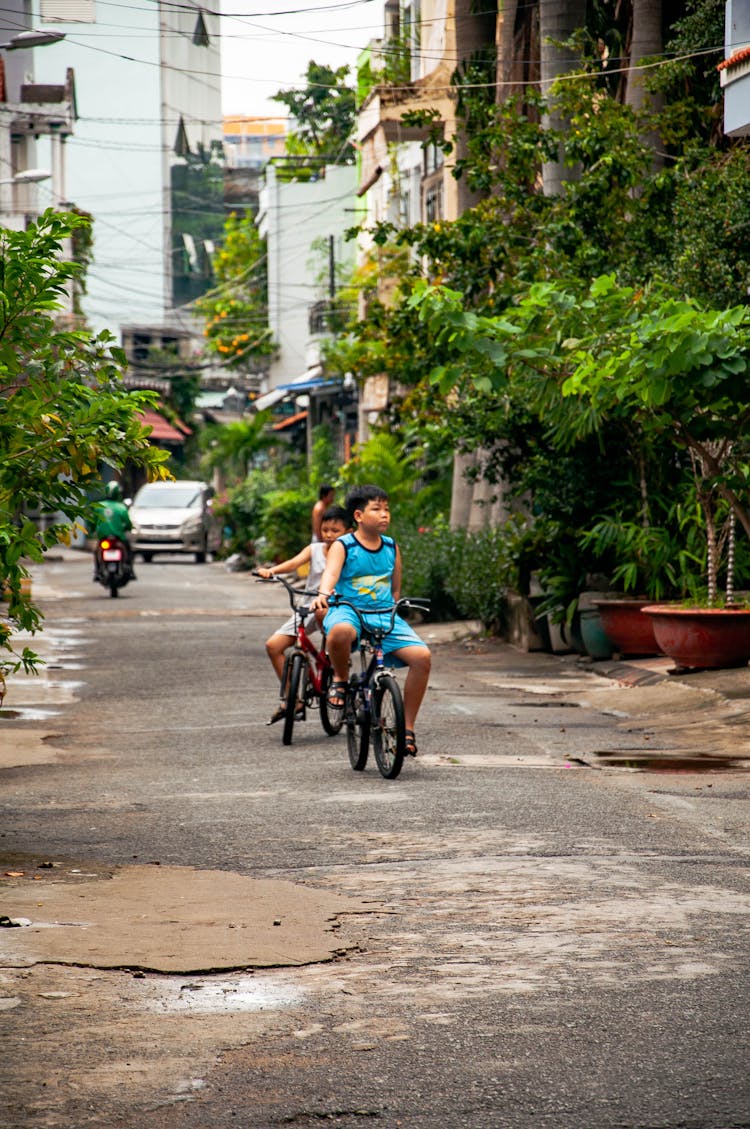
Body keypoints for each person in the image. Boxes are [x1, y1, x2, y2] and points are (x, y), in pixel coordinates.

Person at [311, 484, 431, 757]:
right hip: (347, 608)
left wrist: (394, 609)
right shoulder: (343, 545)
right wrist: (323, 595)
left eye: (387, 509)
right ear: (358, 515)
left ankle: (407, 729)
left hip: (383, 613)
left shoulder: (391, 546)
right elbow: (330, 574)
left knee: (422, 657)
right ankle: (340, 679)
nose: (384, 514)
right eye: (376, 509)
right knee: (339, 632)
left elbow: (395, 587)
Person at [257, 504, 349, 724]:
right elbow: (293, 563)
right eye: (325, 529)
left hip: (335, 608)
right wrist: (272, 571)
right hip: (308, 606)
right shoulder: (315, 549)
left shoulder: (350, 551)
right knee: (273, 646)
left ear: (348, 531)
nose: (328, 535)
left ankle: (334, 668)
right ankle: (291, 699)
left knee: (324, 618)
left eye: (335, 531)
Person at [93, 481, 136, 578]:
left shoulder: (99, 506)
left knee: (97, 551)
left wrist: (93, 530)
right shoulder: (121, 507)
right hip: (118, 538)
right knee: (128, 549)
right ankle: (130, 569)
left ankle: (97, 571)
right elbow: (128, 523)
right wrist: (128, 528)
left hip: (103, 537)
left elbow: (93, 522)